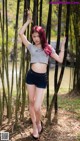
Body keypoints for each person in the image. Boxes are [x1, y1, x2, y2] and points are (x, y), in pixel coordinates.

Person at [19, 10, 66, 139]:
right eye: (33, 36)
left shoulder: (48, 48)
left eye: (37, 36)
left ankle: (39, 122)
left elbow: (60, 60)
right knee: (31, 102)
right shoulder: (31, 46)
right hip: (31, 76)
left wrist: (62, 46)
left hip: (41, 79)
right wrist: (28, 21)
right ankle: (35, 125)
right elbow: (20, 33)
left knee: (38, 107)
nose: (35, 38)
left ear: (42, 36)